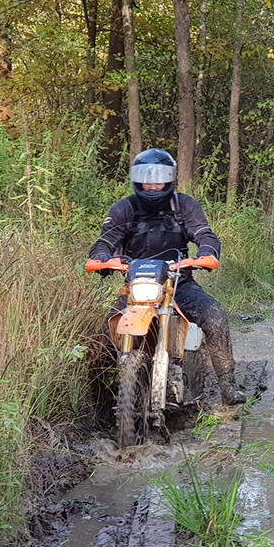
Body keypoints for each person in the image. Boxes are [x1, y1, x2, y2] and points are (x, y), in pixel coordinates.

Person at [88, 148, 245, 406]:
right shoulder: (124, 209)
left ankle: (227, 385)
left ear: (170, 178)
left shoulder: (184, 206)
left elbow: (206, 235)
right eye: (146, 177)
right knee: (100, 341)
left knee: (216, 316)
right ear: (136, 179)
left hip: (178, 285)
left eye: (158, 177)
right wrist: (102, 259)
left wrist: (206, 253)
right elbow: (104, 241)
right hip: (137, 290)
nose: (151, 184)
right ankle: (103, 403)